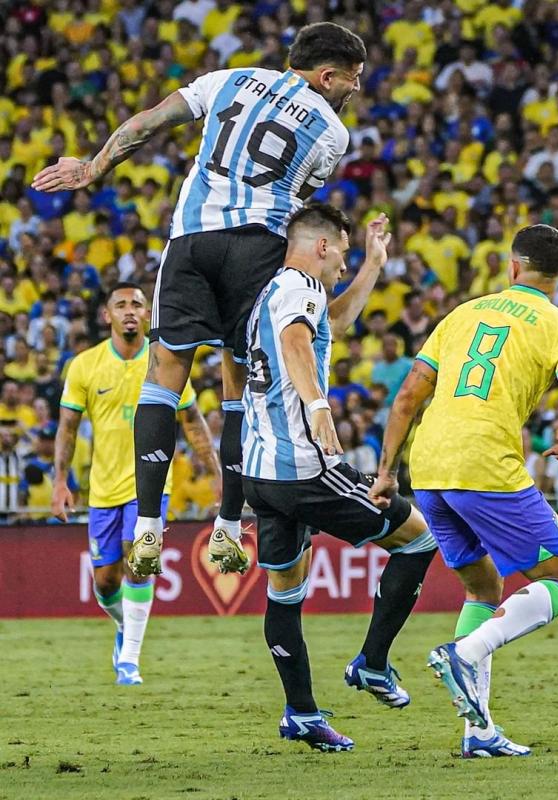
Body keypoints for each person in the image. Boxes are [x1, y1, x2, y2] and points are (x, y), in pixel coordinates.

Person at [32, 22, 367, 579]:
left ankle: (145, 527)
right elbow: (298, 198)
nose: (353, 90)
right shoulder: (332, 131)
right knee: (241, 377)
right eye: (351, 80)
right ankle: (230, 528)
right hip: (259, 246)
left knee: (163, 376)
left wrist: (90, 169)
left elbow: (147, 123)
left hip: (191, 241)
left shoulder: (226, 79)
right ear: (326, 75)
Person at [370, 224, 558, 757]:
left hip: (428, 469)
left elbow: (406, 398)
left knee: (483, 587)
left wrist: (386, 472)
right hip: (485, 465)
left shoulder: (462, 314)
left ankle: (478, 731)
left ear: (511, 267)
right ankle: (466, 651)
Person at [240, 205, 437, 752]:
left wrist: (374, 264)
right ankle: (373, 664)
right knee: (418, 538)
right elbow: (299, 342)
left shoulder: (273, 293)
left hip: (263, 473)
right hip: (306, 468)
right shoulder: (299, 284)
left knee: (285, 594)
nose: (343, 263)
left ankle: (300, 713)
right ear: (321, 246)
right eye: (346, 252)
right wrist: (319, 404)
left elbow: (330, 325)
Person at [52, 282, 219, 685]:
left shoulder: (165, 363)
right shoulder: (85, 366)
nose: (130, 310)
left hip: (151, 485)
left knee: (139, 562)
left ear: (147, 314)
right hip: (103, 489)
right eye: (121, 305)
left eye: (137, 305)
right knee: (106, 581)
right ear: (106, 315)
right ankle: (125, 626)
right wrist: (60, 480)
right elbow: (68, 428)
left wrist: (217, 474)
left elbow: (193, 421)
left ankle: (130, 661)